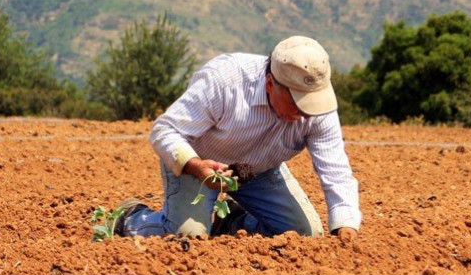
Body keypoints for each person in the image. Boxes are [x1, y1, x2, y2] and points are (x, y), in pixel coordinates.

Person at [115, 36, 361, 242]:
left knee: (304, 235)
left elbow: (335, 169)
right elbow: (165, 130)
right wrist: (196, 166)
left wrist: (345, 225)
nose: (306, 112)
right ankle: (130, 218)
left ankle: (233, 221)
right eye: (298, 102)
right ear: (270, 84)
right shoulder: (225, 81)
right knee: (188, 237)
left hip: (258, 171)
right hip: (198, 165)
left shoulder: (318, 107)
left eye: (312, 101)